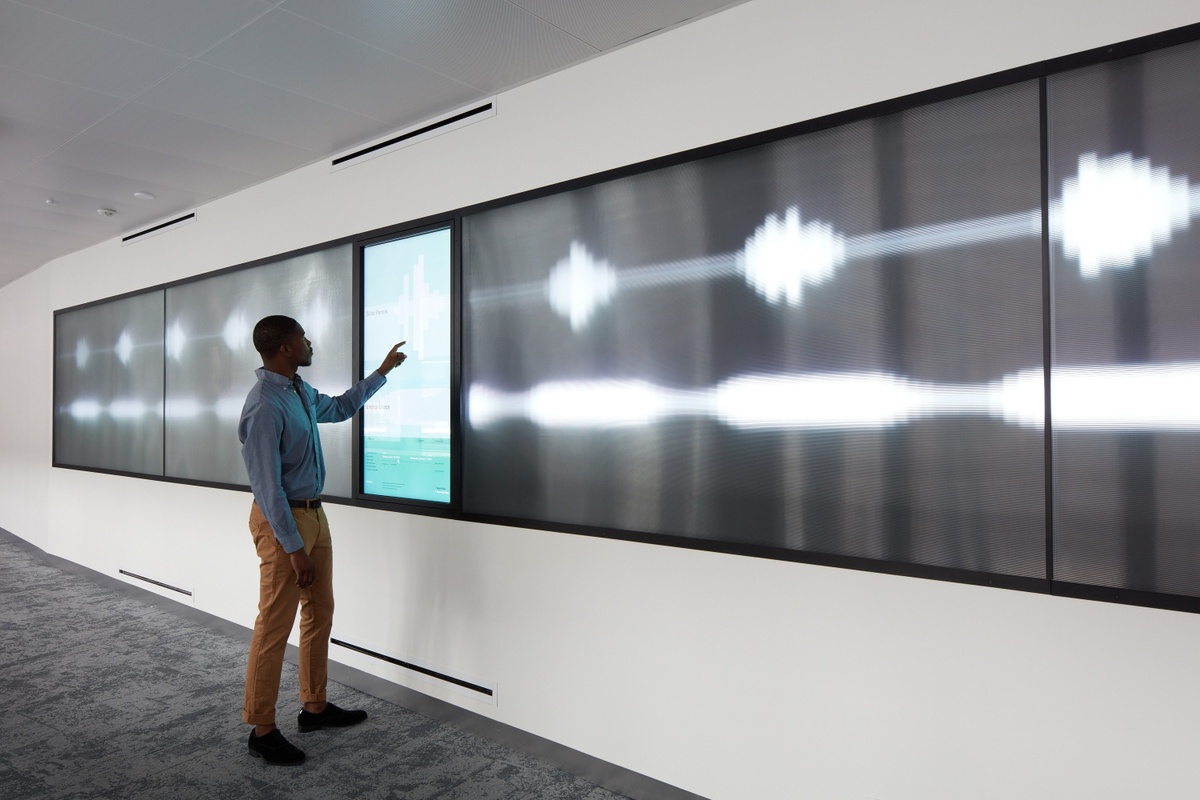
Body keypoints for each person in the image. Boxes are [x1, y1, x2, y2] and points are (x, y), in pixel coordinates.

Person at [238, 315, 406, 765]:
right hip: (283, 523)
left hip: (314, 513)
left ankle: (314, 706)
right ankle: (262, 727)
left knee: (320, 611)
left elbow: (340, 407)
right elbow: (267, 488)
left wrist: (381, 373)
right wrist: (292, 548)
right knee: (274, 626)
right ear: (286, 348)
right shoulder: (263, 405)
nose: (310, 342)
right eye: (303, 338)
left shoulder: (297, 391)